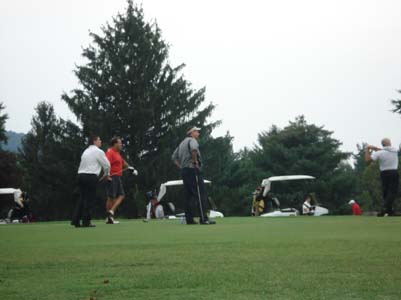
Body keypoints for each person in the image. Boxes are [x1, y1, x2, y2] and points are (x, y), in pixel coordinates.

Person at [172, 126, 215, 225]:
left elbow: (174, 157)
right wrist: (195, 161)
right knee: (201, 194)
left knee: (189, 196)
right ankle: (203, 219)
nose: (198, 133)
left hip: (185, 171)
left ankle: (189, 219)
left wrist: (181, 166)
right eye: (196, 131)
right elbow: (194, 149)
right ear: (191, 133)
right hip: (193, 170)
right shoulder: (192, 140)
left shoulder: (181, 143)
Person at [72, 135, 110, 228]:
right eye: (99, 140)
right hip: (91, 177)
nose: (100, 141)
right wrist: (106, 174)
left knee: (82, 198)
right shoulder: (99, 152)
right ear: (94, 141)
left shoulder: (86, 151)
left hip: (80, 176)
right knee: (90, 200)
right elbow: (107, 165)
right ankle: (86, 221)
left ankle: (76, 220)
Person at [365, 138, 399, 216]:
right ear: (389, 143)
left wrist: (367, 150)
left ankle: (388, 210)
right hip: (393, 172)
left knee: (386, 192)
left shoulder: (379, 153)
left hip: (384, 173)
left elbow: (367, 161)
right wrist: (375, 148)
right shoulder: (395, 150)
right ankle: (386, 209)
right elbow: (386, 150)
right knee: (392, 192)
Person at [105, 136, 128, 224]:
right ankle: (109, 217)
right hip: (112, 177)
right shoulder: (110, 152)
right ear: (115, 144)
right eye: (119, 143)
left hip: (117, 177)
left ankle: (110, 213)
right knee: (111, 198)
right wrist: (107, 176)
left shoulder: (117, 153)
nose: (121, 144)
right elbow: (106, 164)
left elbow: (123, 162)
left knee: (121, 195)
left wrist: (131, 168)